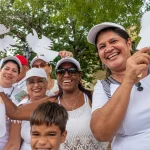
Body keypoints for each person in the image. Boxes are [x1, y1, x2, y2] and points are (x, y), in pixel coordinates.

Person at [87, 22, 150, 150]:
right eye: (102, 46)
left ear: (128, 43)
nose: (109, 48)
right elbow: (101, 133)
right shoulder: (103, 87)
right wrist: (128, 80)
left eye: (113, 41)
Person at [55, 57, 108, 150]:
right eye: (61, 71)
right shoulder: (51, 103)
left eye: (72, 71)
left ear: (80, 75)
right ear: (57, 76)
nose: (66, 75)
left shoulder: (93, 98)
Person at [4, 68, 50, 150]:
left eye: (40, 81)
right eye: (31, 82)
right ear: (27, 85)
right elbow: (13, 144)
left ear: (46, 83)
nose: (36, 85)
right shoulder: (19, 109)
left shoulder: (57, 102)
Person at [0, 56, 22, 149]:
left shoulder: (21, 94)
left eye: (14, 70)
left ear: (18, 76)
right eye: (7, 69)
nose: (9, 72)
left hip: (6, 144)